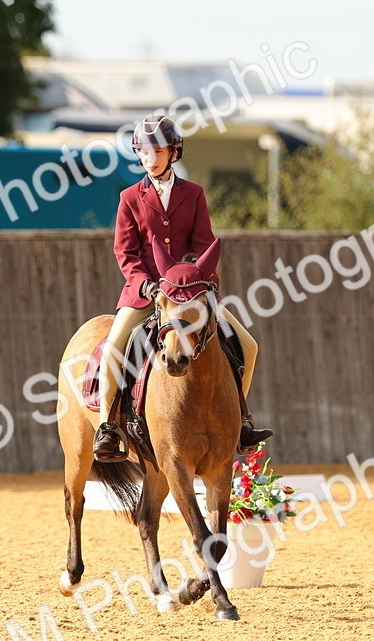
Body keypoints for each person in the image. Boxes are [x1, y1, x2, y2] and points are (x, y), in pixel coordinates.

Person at [93, 114, 273, 461]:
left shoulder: (193, 194)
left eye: (157, 151)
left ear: (174, 153)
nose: (150, 158)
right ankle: (107, 427)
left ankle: (240, 421)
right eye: (143, 152)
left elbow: (203, 245)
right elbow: (125, 252)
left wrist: (196, 282)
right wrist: (146, 285)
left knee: (248, 346)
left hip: (189, 293)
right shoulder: (130, 197)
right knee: (114, 346)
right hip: (146, 294)